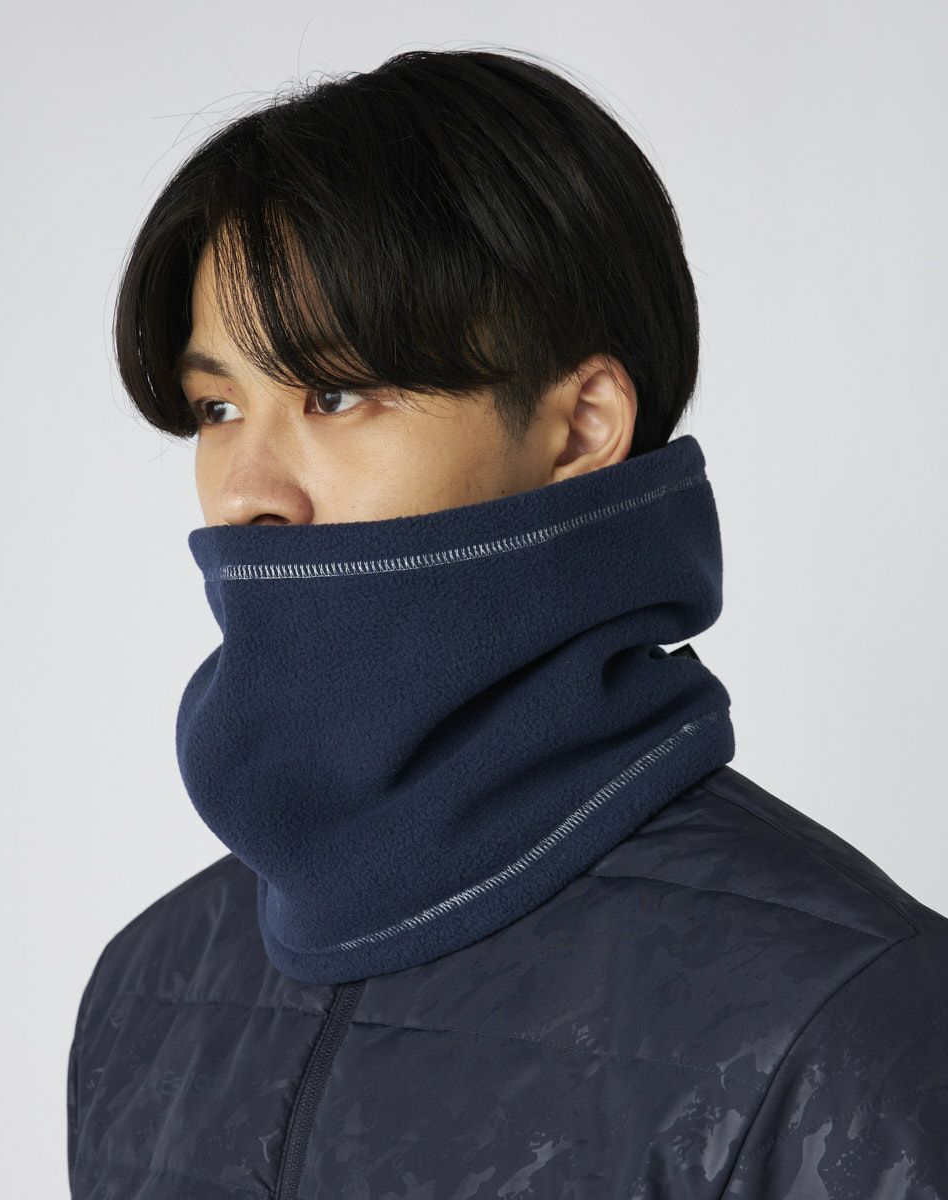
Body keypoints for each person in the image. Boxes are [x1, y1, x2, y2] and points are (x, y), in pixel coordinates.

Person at [66, 46, 948, 1199]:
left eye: (335, 393)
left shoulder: (844, 1017)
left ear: (579, 428)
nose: (243, 492)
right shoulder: (144, 995)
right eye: (218, 407)